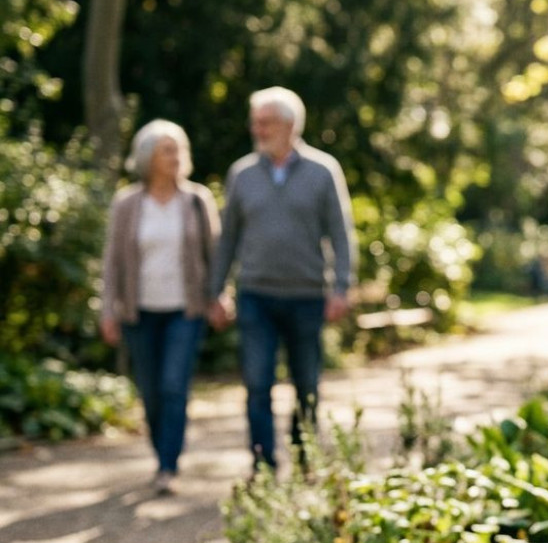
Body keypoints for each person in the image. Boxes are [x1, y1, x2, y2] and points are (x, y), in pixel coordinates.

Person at [208, 86, 356, 471]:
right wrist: (217, 290)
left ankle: (305, 456)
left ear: (290, 125)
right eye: (255, 122)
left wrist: (342, 286)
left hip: (307, 295)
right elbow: (227, 240)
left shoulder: (323, 171)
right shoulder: (241, 174)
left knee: (306, 385)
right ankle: (264, 463)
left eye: (266, 122)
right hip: (256, 294)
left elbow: (341, 234)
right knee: (257, 385)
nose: (258, 129)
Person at [100, 119, 220, 495]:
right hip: (139, 312)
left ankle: (169, 464)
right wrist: (107, 309)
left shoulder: (197, 200)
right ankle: (161, 454)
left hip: (186, 310)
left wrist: (219, 296)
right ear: (148, 157)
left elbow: (215, 256)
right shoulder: (127, 204)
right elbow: (112, 262)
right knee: (150, 391)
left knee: (173, 386)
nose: (175, 156)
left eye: (178, 149)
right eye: (167, 150)